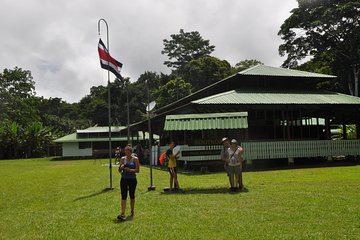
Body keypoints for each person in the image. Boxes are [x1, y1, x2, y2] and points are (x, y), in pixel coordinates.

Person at [117, 145, 140, 221]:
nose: (127, 154)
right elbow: (119, 170)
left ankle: (132, 211)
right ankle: (122, 213)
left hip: (132, 179)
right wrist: (121, 167)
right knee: (123, 195)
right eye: (126, 153)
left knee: (132, 195)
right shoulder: (123, 159)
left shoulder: (135, 159)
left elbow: (137, 170)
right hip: (124, 179)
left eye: (128, 153)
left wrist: (130, 170)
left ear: (131, 152)